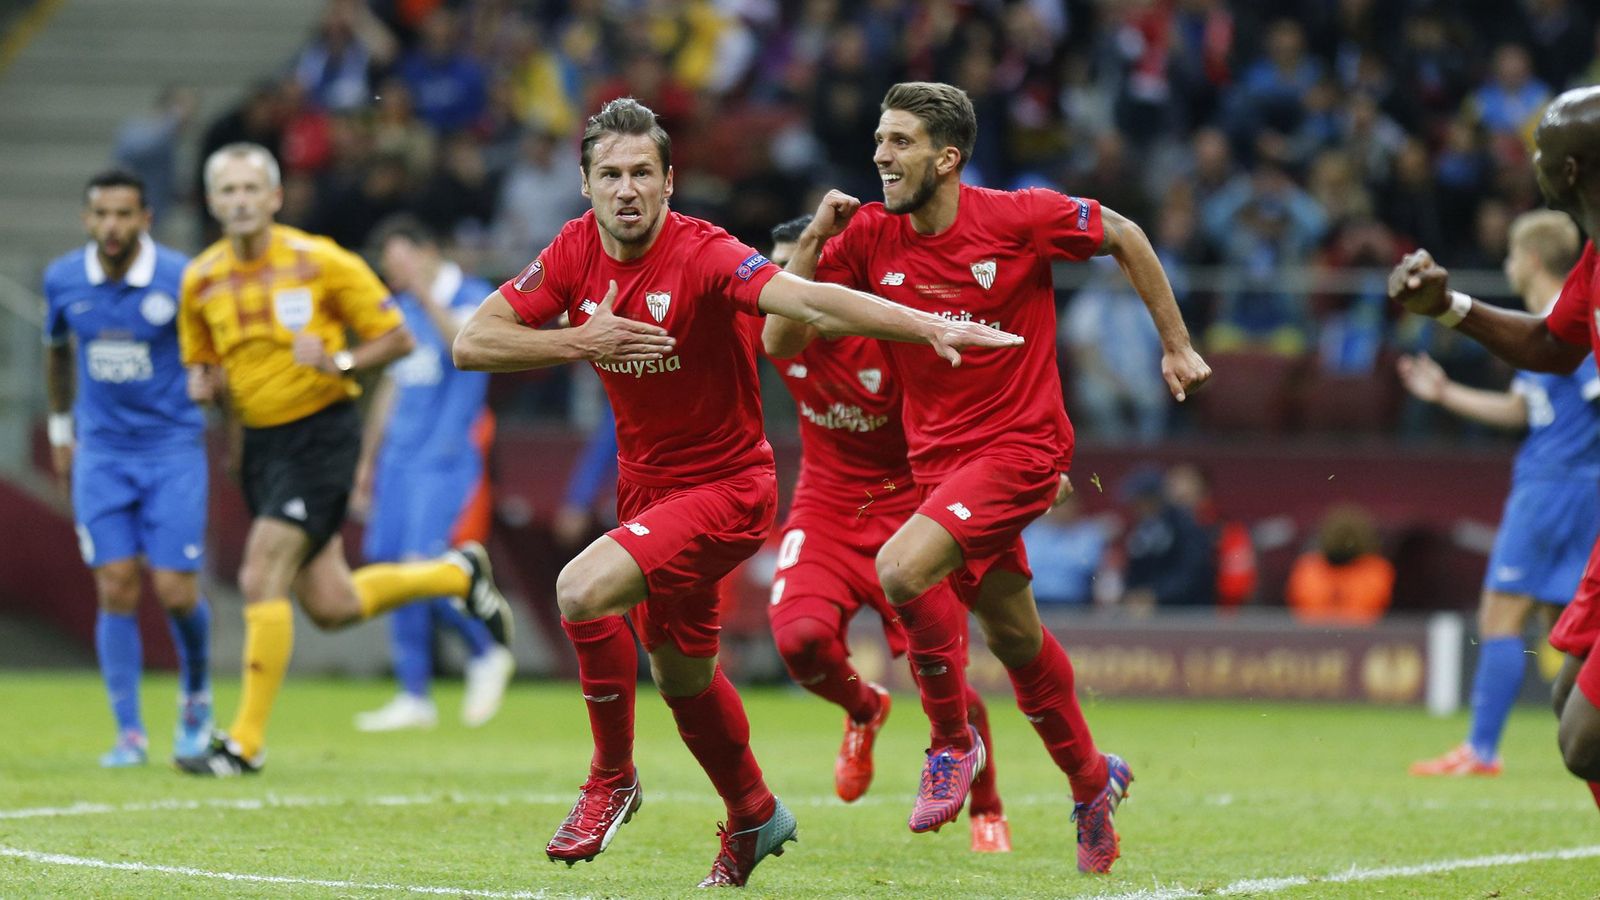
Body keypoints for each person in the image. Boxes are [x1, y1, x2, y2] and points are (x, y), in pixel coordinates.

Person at [452, 98, 1019, 888]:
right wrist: (581, 339)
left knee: (580, 590)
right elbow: (470, 340)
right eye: (610, 174)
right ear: (583, 185)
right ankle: (754, 813)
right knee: (681, 677)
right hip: (646, 492)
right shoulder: (573, 252)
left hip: (727, 488)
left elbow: (809, 300)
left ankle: (612, 779)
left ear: (669, 181)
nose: (627, 189)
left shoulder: (706, 253)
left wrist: (923, 322)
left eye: (642, 173)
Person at [784, 82, 1210, 873]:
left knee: (902, 567)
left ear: (948, 158)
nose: (882, 155)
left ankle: (953, 744)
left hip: (1022, 449)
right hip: (937, 466)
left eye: (901, 142)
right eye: (880, 139)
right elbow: (784, 329)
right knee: (1016, 638)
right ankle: (1092, 782)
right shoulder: (871, 236)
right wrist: (813, 236)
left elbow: (1124, 233)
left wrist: (1176, 345)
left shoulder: (1017, 217)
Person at [173, 143, 512, 777]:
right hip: (261, 450)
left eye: (252, 189)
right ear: (212, 202)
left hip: (321, 436)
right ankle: (457, 577)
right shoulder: (201, 280)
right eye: (228, 191)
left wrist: (342, 362)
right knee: (330, 604)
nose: (241, 201)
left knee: (259, 574)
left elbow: (396, 337)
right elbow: (209, 370)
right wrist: (210, 393)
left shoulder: (319, 262)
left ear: (275, 198)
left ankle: (244, 744)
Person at [757, 215, 1011, 853]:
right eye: (781, 272)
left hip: (909, 510)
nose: (793, 283)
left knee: (943, 680)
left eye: (805, 269)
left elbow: (966, 405)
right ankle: (864, 708)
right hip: (824, 504)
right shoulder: (773, 327)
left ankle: (988, 806)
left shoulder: (892, 331)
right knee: (799, 641)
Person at [1387, 84, 1600, 809]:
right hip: (1581, 501)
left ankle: (1481, 748)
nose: (1529, 157)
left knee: (1567, 714)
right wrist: (1446, 307)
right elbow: (1549, 347)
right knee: (1573, 698)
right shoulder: (1594, 262)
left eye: (1541, 148)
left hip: (1558, 485)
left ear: (1570, 171)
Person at [42, 169, 214, 767]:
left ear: (146, 219)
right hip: (102, 453)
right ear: (87, 220)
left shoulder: (182, 279)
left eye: (124, 214)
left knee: (174, 590)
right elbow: (58, 354)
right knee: (115, 584)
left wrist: (212, 391)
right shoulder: (64, 279)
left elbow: (208, 356)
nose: (111, 226)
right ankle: (129, 733)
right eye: (101, 214)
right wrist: (62, 432)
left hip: (172, 450)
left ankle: (195, 696)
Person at [349, 216, 515, 732]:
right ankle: (414, 695)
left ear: (426, 252)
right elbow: (394, 387)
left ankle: (485, 647)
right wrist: (367, 461)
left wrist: (422, 292)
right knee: (391, 571)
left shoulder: (472, 294)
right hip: (399, 458)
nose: (393, 273)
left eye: (399, 262)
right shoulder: (399, 309)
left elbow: (463, 347)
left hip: (443, 455)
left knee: (420, 568)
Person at [1284, 504, 1396, 627]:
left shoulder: (1377, 570)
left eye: (1350, 536)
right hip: (1312, 640)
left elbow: (1371, 610)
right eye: (1337, 533)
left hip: (1364, 639)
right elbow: (1304, 611)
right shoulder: (1308, 568)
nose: (1343, 538)